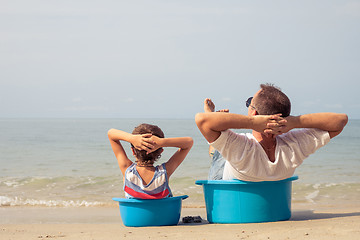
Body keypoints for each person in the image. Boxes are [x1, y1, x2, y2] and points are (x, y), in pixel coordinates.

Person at [195, 83, 348, 182]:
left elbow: (201, 120)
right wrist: (294, 122)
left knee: (219, 155)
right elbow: (341, 121)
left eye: (249, 103)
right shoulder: (294, 146)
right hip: (271, 177)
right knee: (222, 143)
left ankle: (217, 123)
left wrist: (251, 123)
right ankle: (218, 126)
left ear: (254, 114)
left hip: (226, 177)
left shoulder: (242, 146)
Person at [108, 123, 193, 199]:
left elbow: (111, 133)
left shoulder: (127, 170)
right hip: (164, 217)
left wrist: (131, 138)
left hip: (134, 217)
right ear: (160, 151)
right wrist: (162, 142)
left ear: (133, 151)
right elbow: (189, 142)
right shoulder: (164, 173)